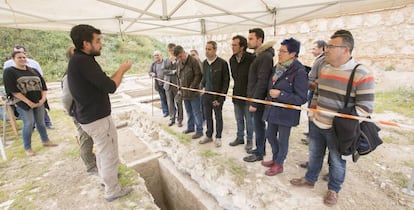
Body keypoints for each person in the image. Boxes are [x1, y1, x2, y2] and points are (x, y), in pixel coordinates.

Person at [290, 30, 375, 206]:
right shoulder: (325, 69)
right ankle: (310, 179)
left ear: (345, 49)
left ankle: (334, 189)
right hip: (316, 123)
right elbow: (317, 93)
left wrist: (344, 123)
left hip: (339, 130)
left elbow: (365, 108)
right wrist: (312, 111)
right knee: (314, 154)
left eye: (331, 46)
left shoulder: (362, 73)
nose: (326, 50)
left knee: (337, 161)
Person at [67, 24, 133, 202]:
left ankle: (106, 180)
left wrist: (117, 73)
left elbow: (103, 82)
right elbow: (111, 87)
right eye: (97, 41)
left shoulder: (80, 60)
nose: (101, 44)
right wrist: (122, 70)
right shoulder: (83, 61)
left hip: (89, 117)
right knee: (109, 153)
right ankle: (112, 190)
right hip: (97, 118)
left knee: (103, 151)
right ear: (86, 44)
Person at [261, 38, 308, 176]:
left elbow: (301, 98)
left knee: (282, 140)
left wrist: (280, 94)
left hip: (286, 113)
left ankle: (279, 163)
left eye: (283, 51)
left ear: (293, 54)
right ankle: (275, 158)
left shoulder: (299, 71)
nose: (279, 54)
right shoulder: (278, 67)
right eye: (279, 50)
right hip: (272, 110)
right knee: (269, 135)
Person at [3, 51, 57, 156]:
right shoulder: (9, 71)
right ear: (13, 59)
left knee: (41, 122)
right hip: (23, 102)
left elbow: (43, 86)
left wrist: (43, 99)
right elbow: (12, 90)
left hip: (39, 101)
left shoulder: (34, 70)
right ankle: (28, 148)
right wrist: (28, 102)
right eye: (19, 57)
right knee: (28, 124)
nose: (23, 59)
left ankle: (45, 141)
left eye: (24, 57)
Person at [61, 46, 97, 174]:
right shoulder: (70, 75)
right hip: (79, 112)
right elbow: (66, 97)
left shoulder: (80, 71)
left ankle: (92, 160)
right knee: (85, 138)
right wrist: (69, 110)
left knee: (89, 137)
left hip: (87, 110)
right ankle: (90, 165)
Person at [3, 45, 54, 129]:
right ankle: (32, 127)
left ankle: (47, 123)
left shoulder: (33, 63)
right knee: (28, 120)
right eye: (18, 54)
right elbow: (10, 84)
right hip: (22, 94)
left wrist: (42, 97)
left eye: (23, 55)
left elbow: (40, 78)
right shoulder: (8, 66)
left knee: (41, 113)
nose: (22, 58)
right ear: (13, 56)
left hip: (35, 92)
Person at [243, 28, 274, 162]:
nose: (248, 41)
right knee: (258, 125)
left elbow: (262, 81)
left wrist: (255, 102)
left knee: (259, 126)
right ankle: (259, 149)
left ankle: (259, 152)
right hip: (255, 97)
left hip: (259, 100)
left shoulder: (265, 57)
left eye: (251, 39)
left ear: (260, 40)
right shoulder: (260, 55)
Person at [199, 41, 230, 147]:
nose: (207, 51)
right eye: (206, 49)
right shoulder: (204, 63)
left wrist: (220, 99)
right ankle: (208, 135)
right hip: (206, 95)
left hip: (217, 96)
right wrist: (201, 86)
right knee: (208, 116)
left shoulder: (222, 63)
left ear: (215, 50)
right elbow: (204, 78)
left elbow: (226, 82)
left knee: (218, 116)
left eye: (209, 49)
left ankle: (218, 137)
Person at [228, 35, 255, 151]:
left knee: (249, 121)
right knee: (239, 119)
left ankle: (249, 140)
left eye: (235, 45)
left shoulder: (251, 58)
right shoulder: (232, 60)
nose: (232, 47)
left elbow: (253, 77)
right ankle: (240, 137)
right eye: (232, 45)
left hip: (248, 95)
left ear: (242, 47)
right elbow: (234, 77)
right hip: (236, 93)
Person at [174, 45, 203, 139]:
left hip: (194, 92)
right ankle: (190, 127)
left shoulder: (193, 61)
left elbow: (198, 75)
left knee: (197, 112)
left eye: (180, 56)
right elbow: (178, 77)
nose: (179, 59)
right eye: (177, 58)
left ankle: (199, 130)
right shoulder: (178, 63)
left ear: (183, 53)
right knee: (189, 111)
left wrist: (192, 87)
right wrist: (179, 88)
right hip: (184, 93)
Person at [301, 40, 327, 144]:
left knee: (312, 113)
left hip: (315, 90)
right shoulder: (319, 59)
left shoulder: (323, 60)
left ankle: (312, 137)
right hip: (312, 89)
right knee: (310, 113)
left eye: (314, 48)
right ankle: (311, 133)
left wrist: (313, 81)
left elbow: (320, 77)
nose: (312, 51)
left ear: (322, 48)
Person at [163, 43, 183, 127]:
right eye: (170, 50)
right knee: (170, 103)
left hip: (176, 84)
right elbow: (164, 71)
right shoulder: (166, 60)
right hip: (168, 84)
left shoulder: (179, 59)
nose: (171, 52)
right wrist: (172, 72)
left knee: (178, 102)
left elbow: (179, 70)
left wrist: (174, 62)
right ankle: (172, 118)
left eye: (172, 50)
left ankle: (180, 120)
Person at [149, 50, 169, 117]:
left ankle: (173, 111)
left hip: (167, 84)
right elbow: (150, 72)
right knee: (163, 98)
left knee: (169, 98)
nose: (156, 56)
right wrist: (152, 74)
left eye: (158, 55)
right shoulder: (153, 64)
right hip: (159, 84)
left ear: (161, 55)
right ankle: (165, 112)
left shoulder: (165, 62)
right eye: (155, 55)